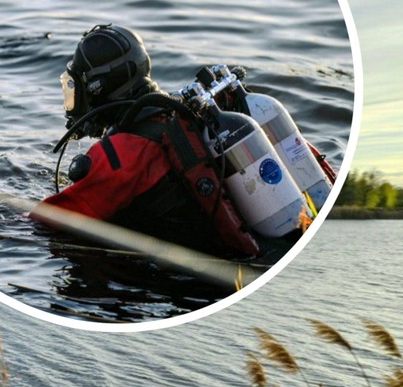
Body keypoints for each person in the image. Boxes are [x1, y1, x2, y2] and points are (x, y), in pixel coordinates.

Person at [31, 23, 293, 260]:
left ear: (97, 88)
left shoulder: (122, 155)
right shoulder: (180, 116)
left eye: (74, 88)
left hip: (200, 283)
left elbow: (48, 222)